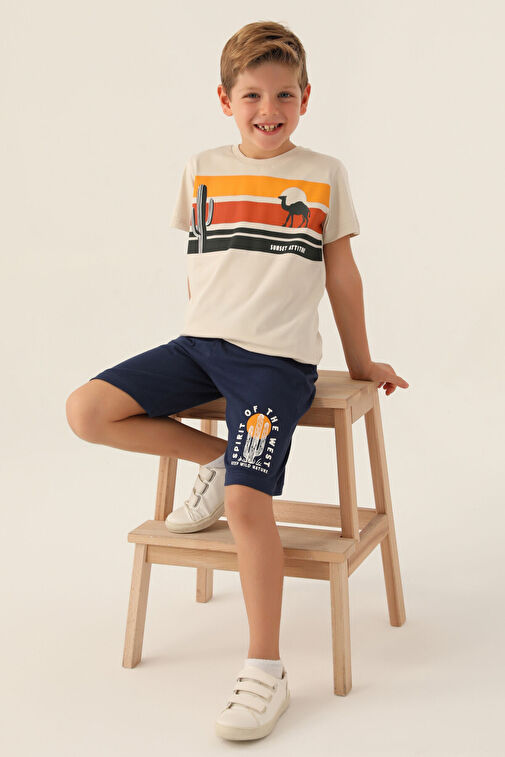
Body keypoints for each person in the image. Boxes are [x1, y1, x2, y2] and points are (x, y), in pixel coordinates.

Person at [65, 20, 409, 742]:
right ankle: (217, 461)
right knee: (87, 410)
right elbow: (203, 262)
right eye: (252, 94)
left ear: (306, 97)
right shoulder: (201, 166)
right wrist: (199, 332)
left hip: (274, 363)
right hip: (197, 347)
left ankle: (265, 669)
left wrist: (361, 361)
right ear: (225, 100)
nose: (268, 108)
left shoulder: (323, 173)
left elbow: (342, 275)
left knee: (250, 503)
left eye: (284, 94)